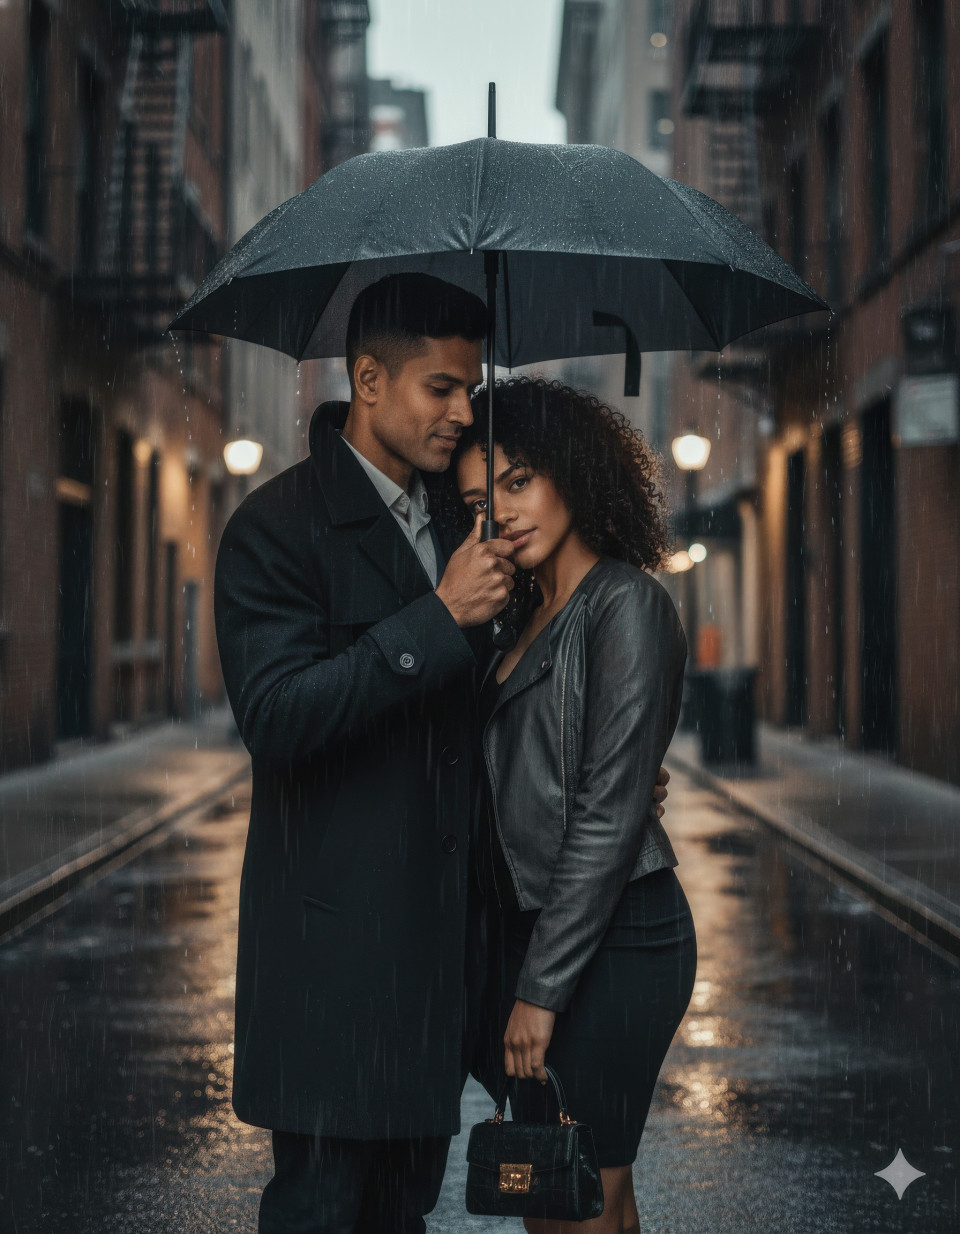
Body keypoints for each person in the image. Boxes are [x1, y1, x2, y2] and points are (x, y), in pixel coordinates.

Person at [214, 273, 671, 1233]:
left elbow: (480, 719)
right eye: (442, 389)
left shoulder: (466, 515)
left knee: (408, 1213)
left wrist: (582, 770)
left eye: (473, 387)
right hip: (334, 966)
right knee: (322, 1212)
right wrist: (435, 617)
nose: (466, 413)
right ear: (369, 379)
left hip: (444, 969)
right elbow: (278, 719)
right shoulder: (276, 528)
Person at [442, 376, 697, 1234]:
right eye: (480, 499)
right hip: (539, 935)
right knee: (566, 1197)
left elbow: (606, 816)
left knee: (578, 1200)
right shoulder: (518, 617)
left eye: (518, 482)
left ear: (575, 474)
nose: (501, 514)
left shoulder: (626, 604)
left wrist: (540, 992)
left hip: (616, 939)